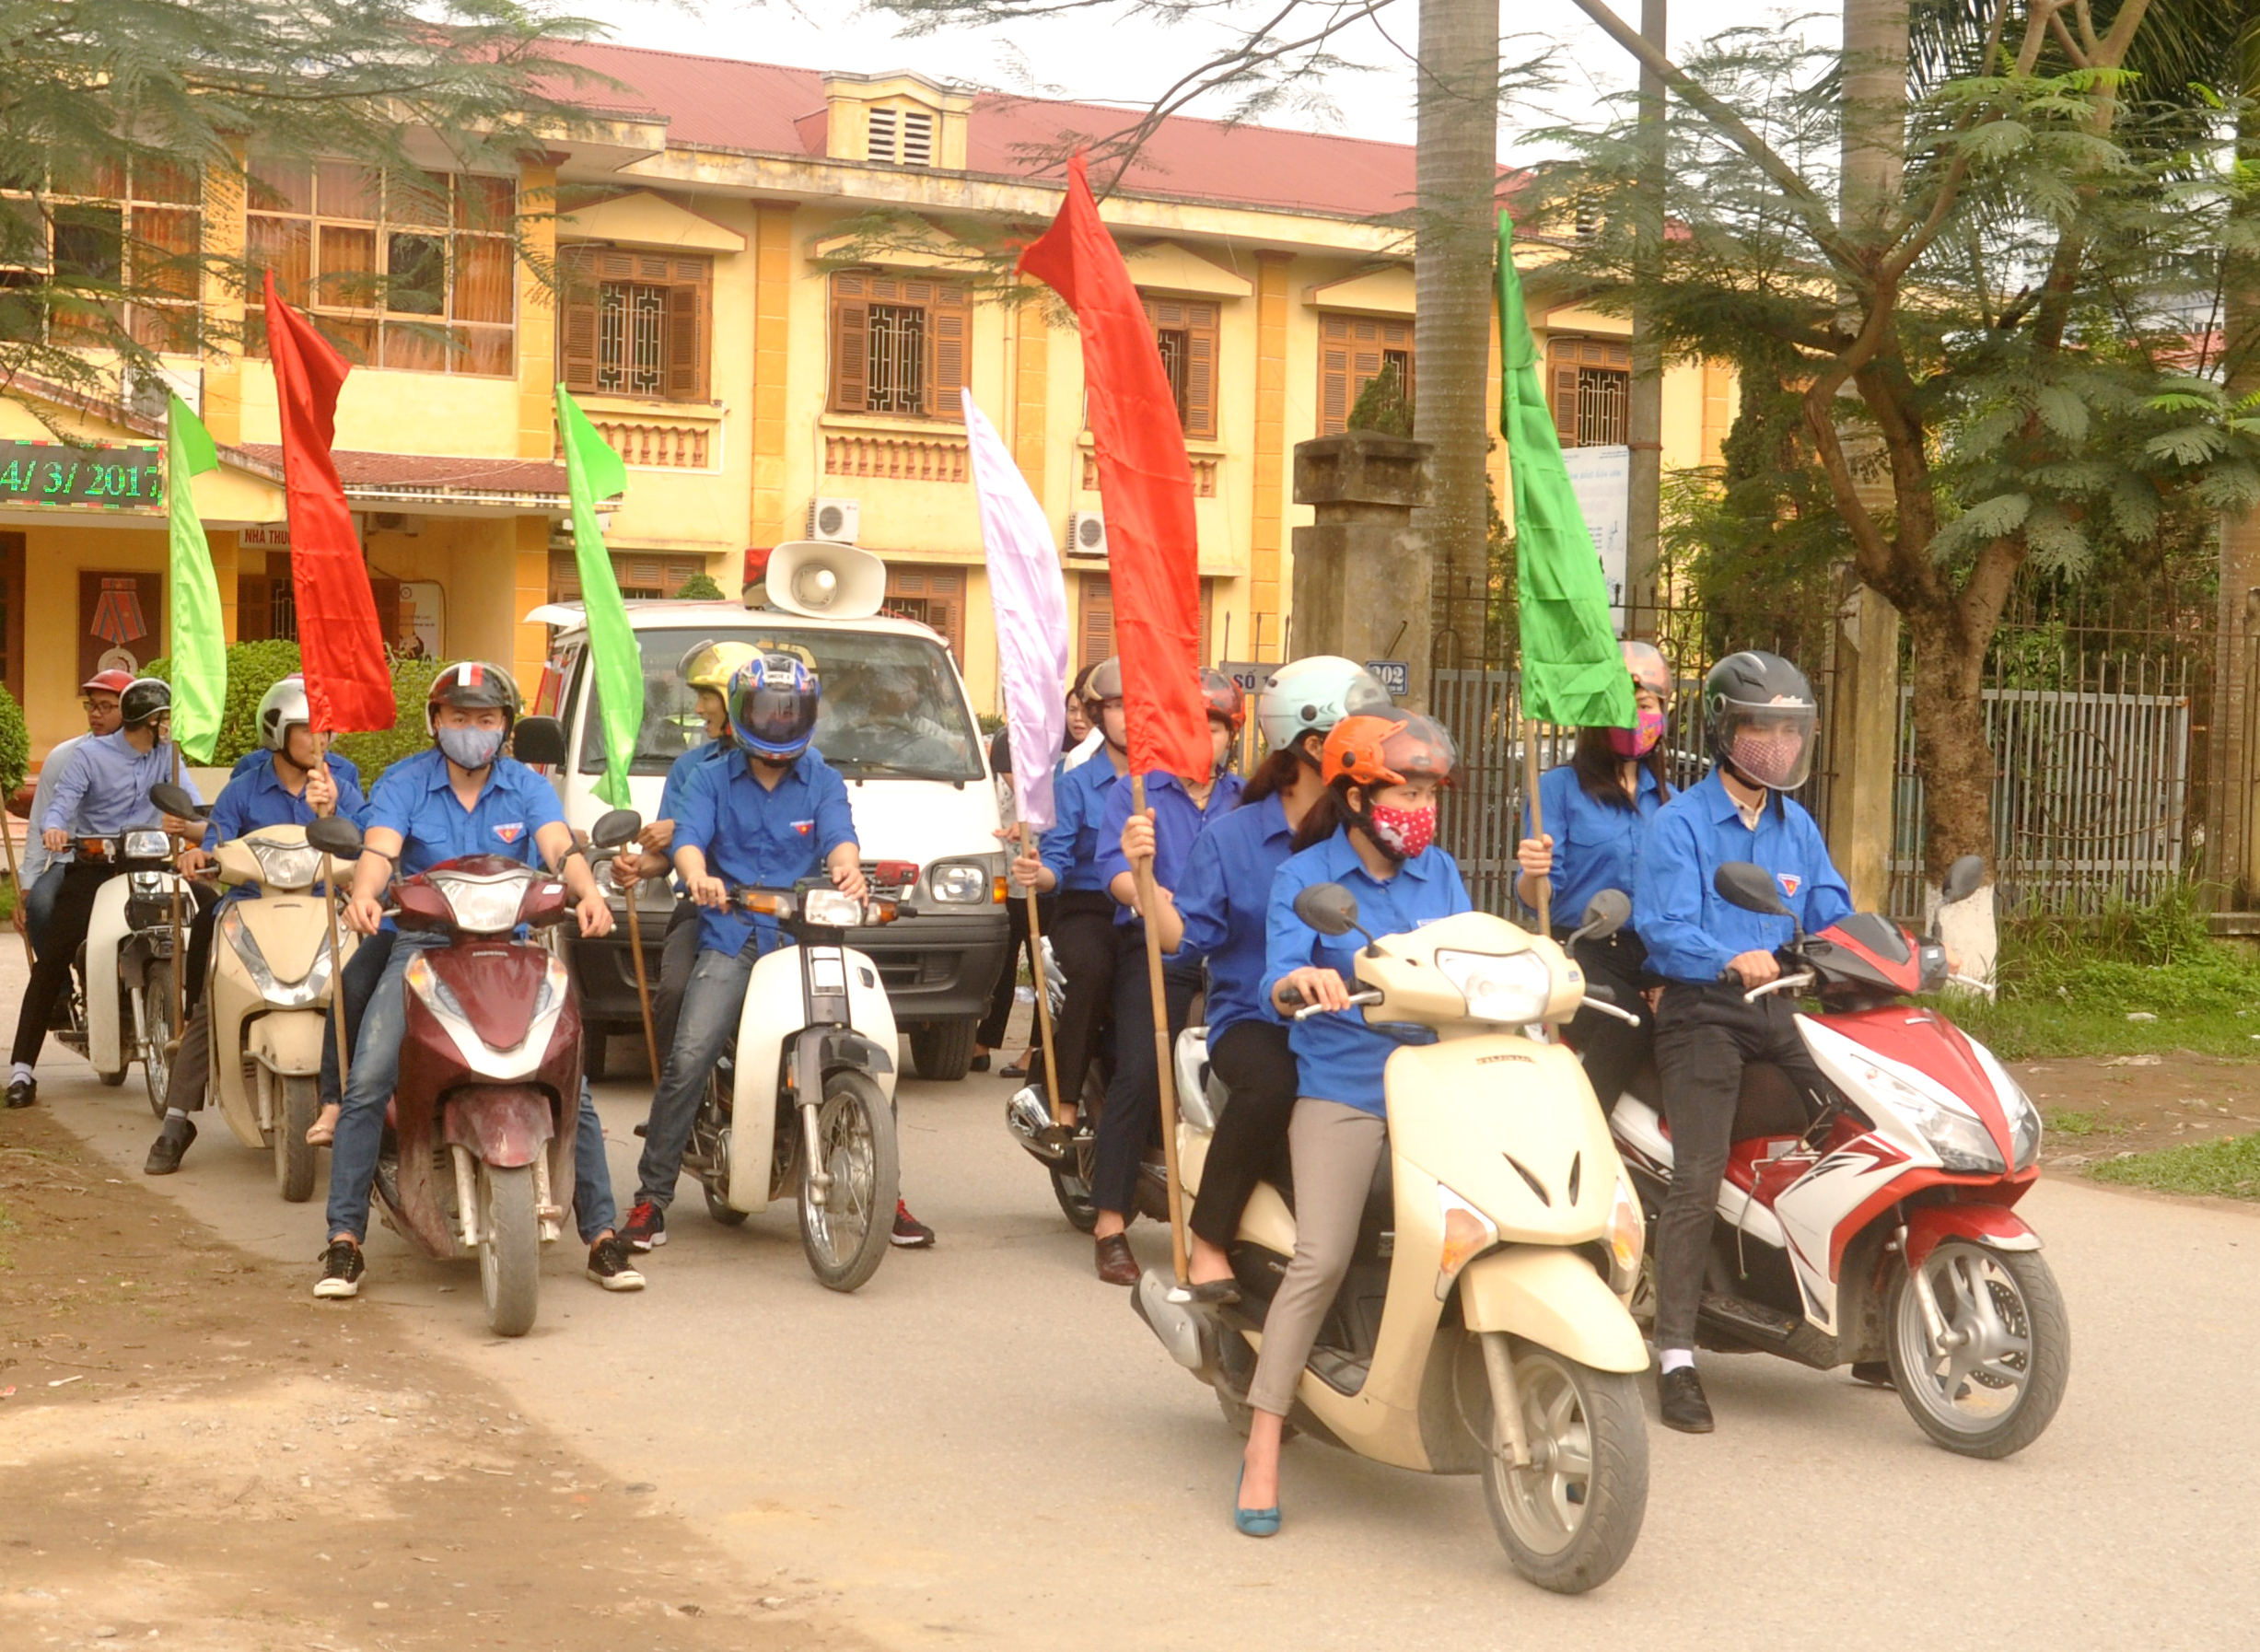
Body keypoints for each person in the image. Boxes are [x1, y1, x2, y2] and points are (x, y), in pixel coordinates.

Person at [315, 662, 644, 1299]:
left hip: (513, 949)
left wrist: (590, 894)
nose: (472, 730)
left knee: (571, 1079)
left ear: (505, 728)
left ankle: (602, 1235)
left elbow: (560, 848)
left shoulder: (526, 786)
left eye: (485, 719)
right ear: (436, 722)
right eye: (459, 718)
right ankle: (343, 1241)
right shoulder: (404, 781)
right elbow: (380, 851)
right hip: (421, 949)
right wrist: (363, 895)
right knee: (371, 1077)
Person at [1237, 713, 1469, 1534]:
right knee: (1323, 1254)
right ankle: (1265, 1436)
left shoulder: (1440, 873)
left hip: (1439, 1083)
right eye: (1408, 789)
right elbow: (1273, 977)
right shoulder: (1306, 875)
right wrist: (1304, 979)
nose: (1421, 806)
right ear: (1358, 793)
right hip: (1345, 1084)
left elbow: (1471, 957)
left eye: (1430, 791)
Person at [621, 652, 931, 1251]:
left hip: (805, 938)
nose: (780, 723)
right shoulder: (711, 775)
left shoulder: (822, 778)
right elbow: (688, 841)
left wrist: (849, 875)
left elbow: (841, 840)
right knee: (689, 1055)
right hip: (731, 934)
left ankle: (884, 1193)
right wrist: (700, 876)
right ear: (741, 716)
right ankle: (650, 1201)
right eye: (768, 711)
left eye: (792, 712)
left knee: (862, 1057)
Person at [1126, 657, 1393, 1299]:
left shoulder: (1371, 831)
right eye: (1356, 737)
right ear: (1310, 746)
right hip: (1257, 1016)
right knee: (1274, 1083)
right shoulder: (1233, 837)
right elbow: (1182, 939)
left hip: (1360, 1017)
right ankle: (1211, 1237)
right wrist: (1143, 877)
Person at [1634, 650, 1851, 1435]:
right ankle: (1677, 1357)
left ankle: (1863, 1316)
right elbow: (1661, 927)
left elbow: (1831, 911)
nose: (1779, 745)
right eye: (1762, 727)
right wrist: (1725, 955)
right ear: (1724, 731)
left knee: (1854, 1123)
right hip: (1702, 1013)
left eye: (1791, 730)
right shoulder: (1680, 823)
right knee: (1697, 1175)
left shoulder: (1799, 827)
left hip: (1779, 1010)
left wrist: (1888, 948)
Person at [143, 677, 367, 1174]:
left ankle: (378, 1115)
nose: (319, 741)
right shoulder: (244, 789)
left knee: (364, 999)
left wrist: (333, 808)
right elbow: (219, 838)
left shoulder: (341, 784)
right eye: (307, 730)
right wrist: (201, 852)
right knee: (212, 1001)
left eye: (325, 730)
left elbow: (368, 841)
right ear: (277, 732)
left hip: (320, 906)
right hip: (249, 907)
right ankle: (177, 1121)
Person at [1085, 669, 1246, 1286]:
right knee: (1141, 1071)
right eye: (1191, 726)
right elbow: (1112, 874)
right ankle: (1110, 1224)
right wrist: (1149, 886)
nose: (1202, 738)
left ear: (1232, 733)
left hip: (1234, 960)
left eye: (1214, 726)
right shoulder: (1138, 794)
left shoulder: (1249, 798)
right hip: (1159, 954)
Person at [8, 678, 203, 1110]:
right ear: (149, 722)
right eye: (164, 720)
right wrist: (56, 827)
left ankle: (200, 1027)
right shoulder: (89, 757)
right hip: (95, 865)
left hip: (152, 861)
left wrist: (200, 827)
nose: (169, 727)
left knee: (210, 914)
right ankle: (22, 1068)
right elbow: (61, 803)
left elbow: (191, 801)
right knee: (54, 954)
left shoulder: (168, 757)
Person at [1514, 640, 1675, 1111]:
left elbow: (1678, 898)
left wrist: (1669, 974)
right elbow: (1537, 895)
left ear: (1663, 712)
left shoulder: (1672, 801)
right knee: (1627, 1022)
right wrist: (1533, 871)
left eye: (1645, 705)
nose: (1634, 715)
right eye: (1620, 705)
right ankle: (1577, 1134)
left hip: (1650, 955)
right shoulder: (1557, 789)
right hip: (1577, 950)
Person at [612, 640, 758, 1062]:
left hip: (775, 909)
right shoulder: (689, 769)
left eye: (706, 697)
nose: (697, 709)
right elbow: (665, 858)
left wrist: (685, 825)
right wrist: (640, 866)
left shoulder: (800, 770)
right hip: (702, 908)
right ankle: (672, 1105)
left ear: (739, 700)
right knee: (674, 991)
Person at [1009, 659, 1127, 1134]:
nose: (1129, 717)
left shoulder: (1167, 785)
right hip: (1087, 910)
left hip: (1153, 912)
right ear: (1099, 715)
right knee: (1095, 972)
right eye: (1117, 707)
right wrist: (1036, 875)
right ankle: (1066, 1102)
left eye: (1139, 707)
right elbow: (1056, 865)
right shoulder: (1074, 784)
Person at [13, 669, 131, 961]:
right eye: (91, 705)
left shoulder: (147, 755)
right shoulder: (64, 756)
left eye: (106, 706)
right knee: (40, 906)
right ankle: (60, 993)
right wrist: (27, 884)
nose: (95, 714)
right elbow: (41, 820)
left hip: (132, 858)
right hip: (71, 859)